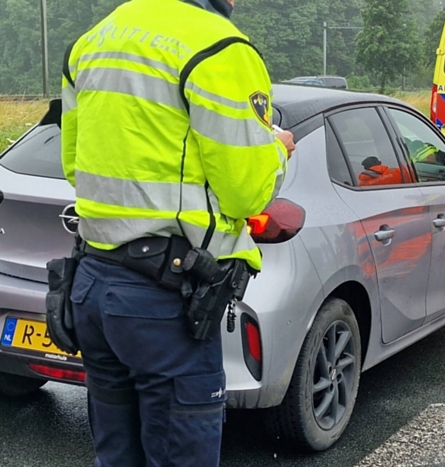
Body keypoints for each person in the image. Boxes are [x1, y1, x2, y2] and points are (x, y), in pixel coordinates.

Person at [60, 0, 295, 465]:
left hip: (93, 284)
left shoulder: (94, 40)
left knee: (116, 455)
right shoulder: (219, 47)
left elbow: (73, 165)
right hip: (164, 300)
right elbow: (247, 193)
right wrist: (277, 151)